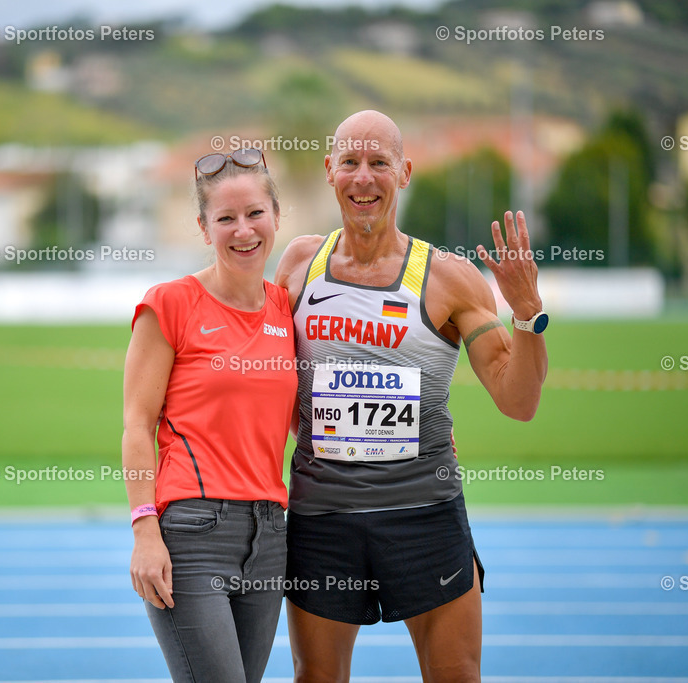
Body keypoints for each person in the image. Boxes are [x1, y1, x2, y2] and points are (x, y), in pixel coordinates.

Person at [274, 110, 548, 683]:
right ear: (329, 170)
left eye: (379, 163)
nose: (363, 177)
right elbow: (269, 380)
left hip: (425, 516)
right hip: (322, 519)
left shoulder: (450, 279)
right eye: (350, 162)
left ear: (404, 172)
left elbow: (517, 401)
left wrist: (527, 312)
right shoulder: (299, 265)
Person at [122, 148, 297, 683]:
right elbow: (136, 426)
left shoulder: (286, 310)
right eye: (225, 218)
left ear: (275, 216)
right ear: (204, 228)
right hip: (192, 533)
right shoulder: (170, 303)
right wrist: (144, 532)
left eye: (254, 214)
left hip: (270, 536)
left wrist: (423, 429)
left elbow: (307, 415)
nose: (243, 230)